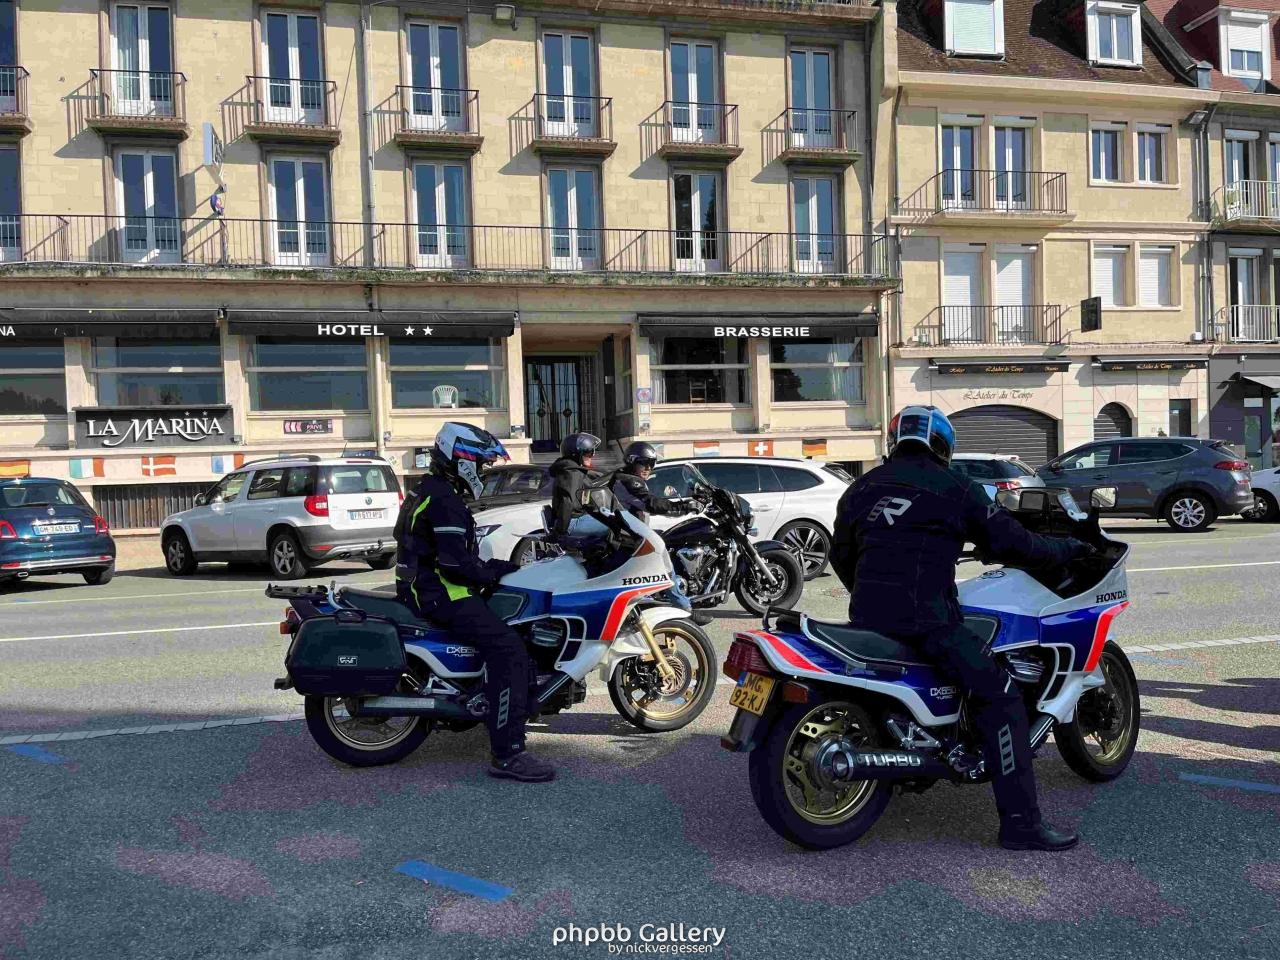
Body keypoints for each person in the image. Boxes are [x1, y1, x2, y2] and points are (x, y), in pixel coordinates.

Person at [831, 405, 1093, 852]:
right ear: (943, 444)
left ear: (895, 441)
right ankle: (1021, 825)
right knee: (1001, 694)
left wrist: (871, 594)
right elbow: (1015, 544)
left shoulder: (862, 487)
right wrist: (1067, 549)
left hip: (867, 621)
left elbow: (841, 555)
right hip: (927, 622)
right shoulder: (955, 487)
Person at [394, 422, 555, 783]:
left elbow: (449, 554)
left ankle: (495, 704)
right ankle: (508, 753)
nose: (482, 472)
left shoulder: (430, 489)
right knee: (509, 650)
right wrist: (495, 572)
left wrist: (492, 568)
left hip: (424, 586)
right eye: (481, 464)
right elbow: (455, 565)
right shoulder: (445, 500)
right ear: (462, 459)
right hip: (442, 593)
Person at [610, 441, 695, 524]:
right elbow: (650, 504)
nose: (648, 468)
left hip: (634, 528)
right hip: (626, 531)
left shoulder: (623, 477)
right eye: (644, 462)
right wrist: (684, 507)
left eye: (651, 463)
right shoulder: (627, 481)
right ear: (631, 461)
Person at [549, 432, 602, 538]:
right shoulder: (572, 473)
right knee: (618, 523)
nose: (592, 455)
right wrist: (560, 532)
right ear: (576, 454)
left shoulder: (570, 470)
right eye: (589, 452)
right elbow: (567, 502)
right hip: (573, 522)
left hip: (574, 519)